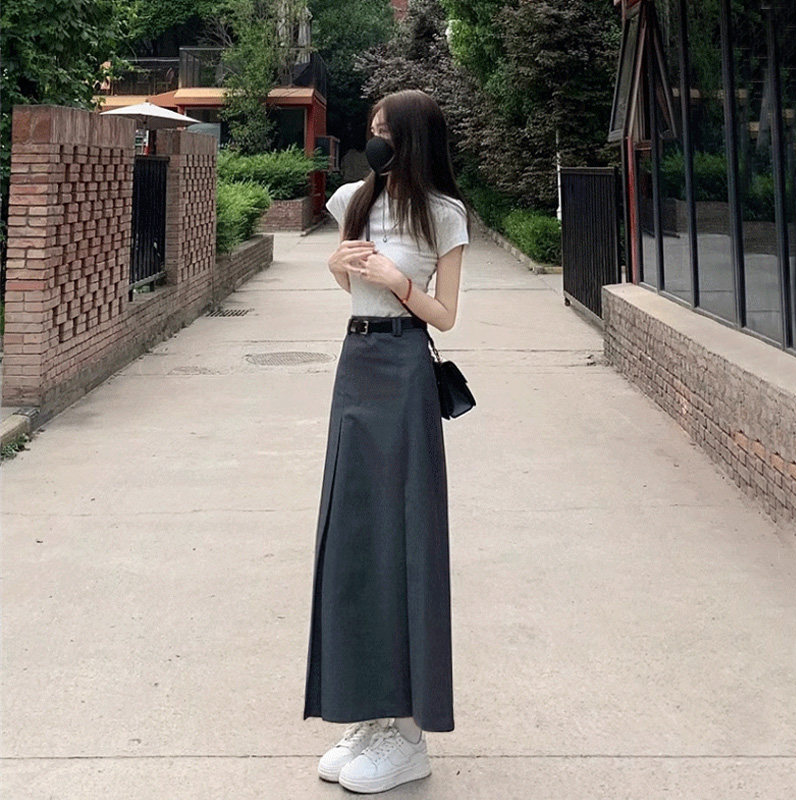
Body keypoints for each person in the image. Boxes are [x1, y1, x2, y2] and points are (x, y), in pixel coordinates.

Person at [303, 89, 472, 794]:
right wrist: (340, 268)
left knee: (403, 536)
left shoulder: (443, 214)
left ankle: (407, 734)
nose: (377, 140)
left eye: (387, 131)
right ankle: (368, 716)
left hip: (404, 367)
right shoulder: (353, 199)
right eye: (372, 129)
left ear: (415, 139)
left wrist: (400, 281)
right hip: (356, 363)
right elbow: (345, 283)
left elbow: (446, 315)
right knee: (353, 535)